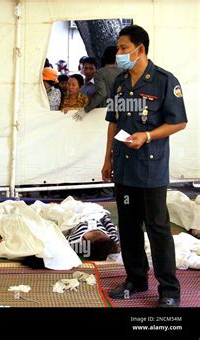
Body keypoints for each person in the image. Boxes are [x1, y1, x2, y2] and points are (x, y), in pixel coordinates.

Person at [102, 25, 188, 308]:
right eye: (119, 47)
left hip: (151, 170)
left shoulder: (164, 81)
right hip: (125, 168)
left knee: (158, 228)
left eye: (124, 48)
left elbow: (178, 122)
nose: (120, 53)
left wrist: (148, 135)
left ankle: (169, 291)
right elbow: (114, 122)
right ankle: (136, 280)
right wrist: (107, 159)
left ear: (140, 49)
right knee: (127, 226)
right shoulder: (120, 82)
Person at [73, 46, 123, 121]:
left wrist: (86, 109)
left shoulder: (99, 73)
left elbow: (102, 94)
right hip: (121, 110)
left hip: (104, 112)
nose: (88, 71)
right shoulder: (123, 71)